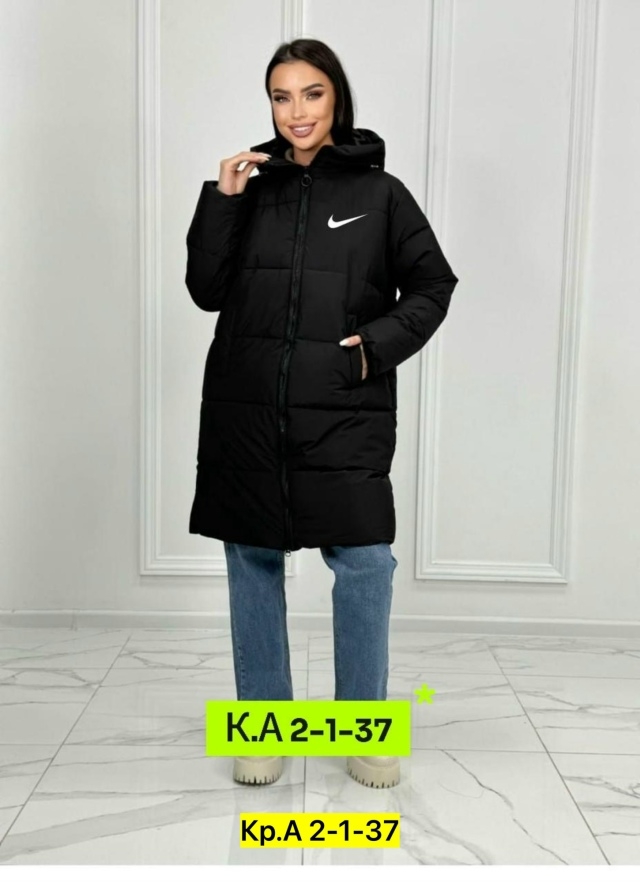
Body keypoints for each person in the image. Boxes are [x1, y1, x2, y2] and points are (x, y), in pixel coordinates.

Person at [185, 39, 459, 789]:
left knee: (365, 562)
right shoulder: (249, 189)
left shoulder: (382, 194)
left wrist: (374, 347)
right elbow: (206, 291)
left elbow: (433, 285)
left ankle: (364, 728)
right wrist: (223, 200)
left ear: (335, 97)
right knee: (251, 560)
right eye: (281, 97)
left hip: (345, 407)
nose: (296, 112)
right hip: (248, 405)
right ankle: (263, 728)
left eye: (311, 94)